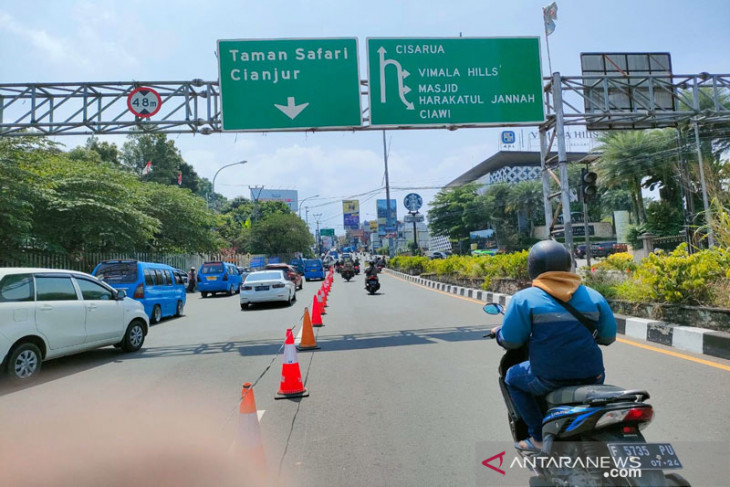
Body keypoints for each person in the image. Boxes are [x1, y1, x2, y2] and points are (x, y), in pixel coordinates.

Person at [490, 240, 616, 452]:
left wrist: (498, 334)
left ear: (533, 267)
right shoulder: (594, 296)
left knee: (512, 377)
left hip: (547, 378)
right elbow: (608, 336)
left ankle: (538, 437)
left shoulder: (524, 299)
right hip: (593, 375)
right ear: (568, 265)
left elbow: (512, 340)